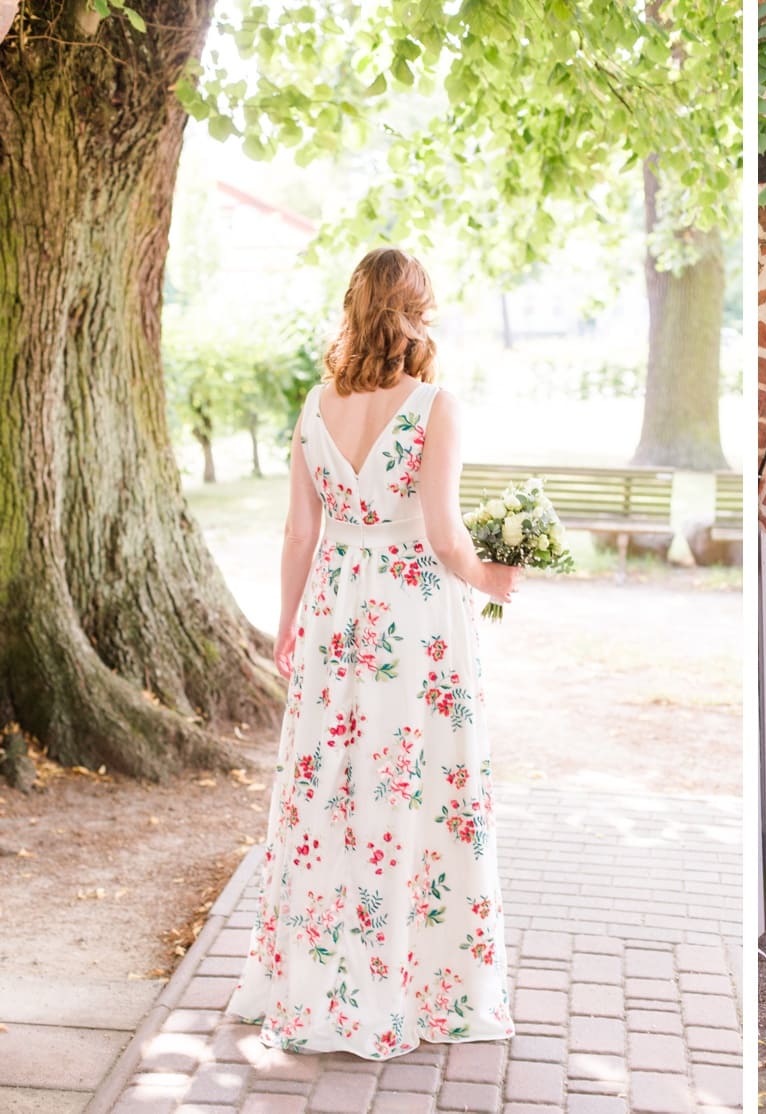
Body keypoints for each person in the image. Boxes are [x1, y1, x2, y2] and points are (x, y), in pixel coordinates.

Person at [227, 248, 521, 1058]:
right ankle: (414, 984)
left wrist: (287, 622)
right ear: (413, 312)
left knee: (331, 789)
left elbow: (298, 531)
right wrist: (496, 579)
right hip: (413, 612)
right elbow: (443, 535)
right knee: (417, 784)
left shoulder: (315, 405)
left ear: (356, 309)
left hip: (332, 608)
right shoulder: (433, 404)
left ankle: (320, 976)